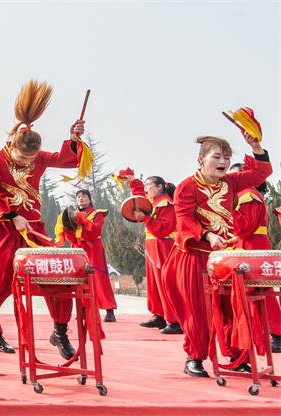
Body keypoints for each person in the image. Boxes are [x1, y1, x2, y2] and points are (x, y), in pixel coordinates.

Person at [0, 80, 86, 363]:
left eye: (31, 158)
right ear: (11, 146)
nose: (26, 162)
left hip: (34, 229)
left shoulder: (39, 158)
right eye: (22, 156)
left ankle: (60, 331)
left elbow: (67, 160)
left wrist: (74, 139)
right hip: (0, 228)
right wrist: (12, 215)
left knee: (58, 274)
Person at [162, 133, 269, 377]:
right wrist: (207, 235)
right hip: (193, 256)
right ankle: (194, 357)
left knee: (232, 307)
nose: (223, 162)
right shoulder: (187, 186)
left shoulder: (230, 182)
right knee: (199, 310)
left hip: (223, 258)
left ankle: (236, 356)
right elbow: (184, 220)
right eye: (217, 156)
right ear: (201, 159)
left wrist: (256, 147)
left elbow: (260, 173)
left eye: (227, 158)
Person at [227, 162, 280, 354]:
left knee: (263, 291)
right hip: (246, 246)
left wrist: (229, 209)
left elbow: (245, 227)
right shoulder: (241, 195)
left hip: (253, 247)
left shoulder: (248, 195)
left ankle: (278, 333)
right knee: (250, 293)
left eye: (235, 176)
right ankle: (261, 332)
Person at [126, 173, 182, 334]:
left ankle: (175, 321)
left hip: (163, 245)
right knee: (154, 284)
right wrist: (133, 182)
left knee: (166, 283)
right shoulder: (154, 202)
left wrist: (145, 219)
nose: (145, 188)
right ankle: (160, 315)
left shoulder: (165, 203)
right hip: (152, 245)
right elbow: (139, 198)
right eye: (144, 185)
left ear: (159, 187)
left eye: (148, 185)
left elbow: (164, 229)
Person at [57, 190, 118, 322]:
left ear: (90, 199)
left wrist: (82, 222)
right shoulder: (71, 216)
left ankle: (109, 310)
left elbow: (95, 231)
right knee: (80, 279)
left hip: (93, 249)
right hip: (78, 249)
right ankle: (83, 310)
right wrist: (67, 227)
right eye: (78, 197)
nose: (81, 198)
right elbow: (71, 238)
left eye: (84, 196)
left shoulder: (97, 214)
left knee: (99, 278)